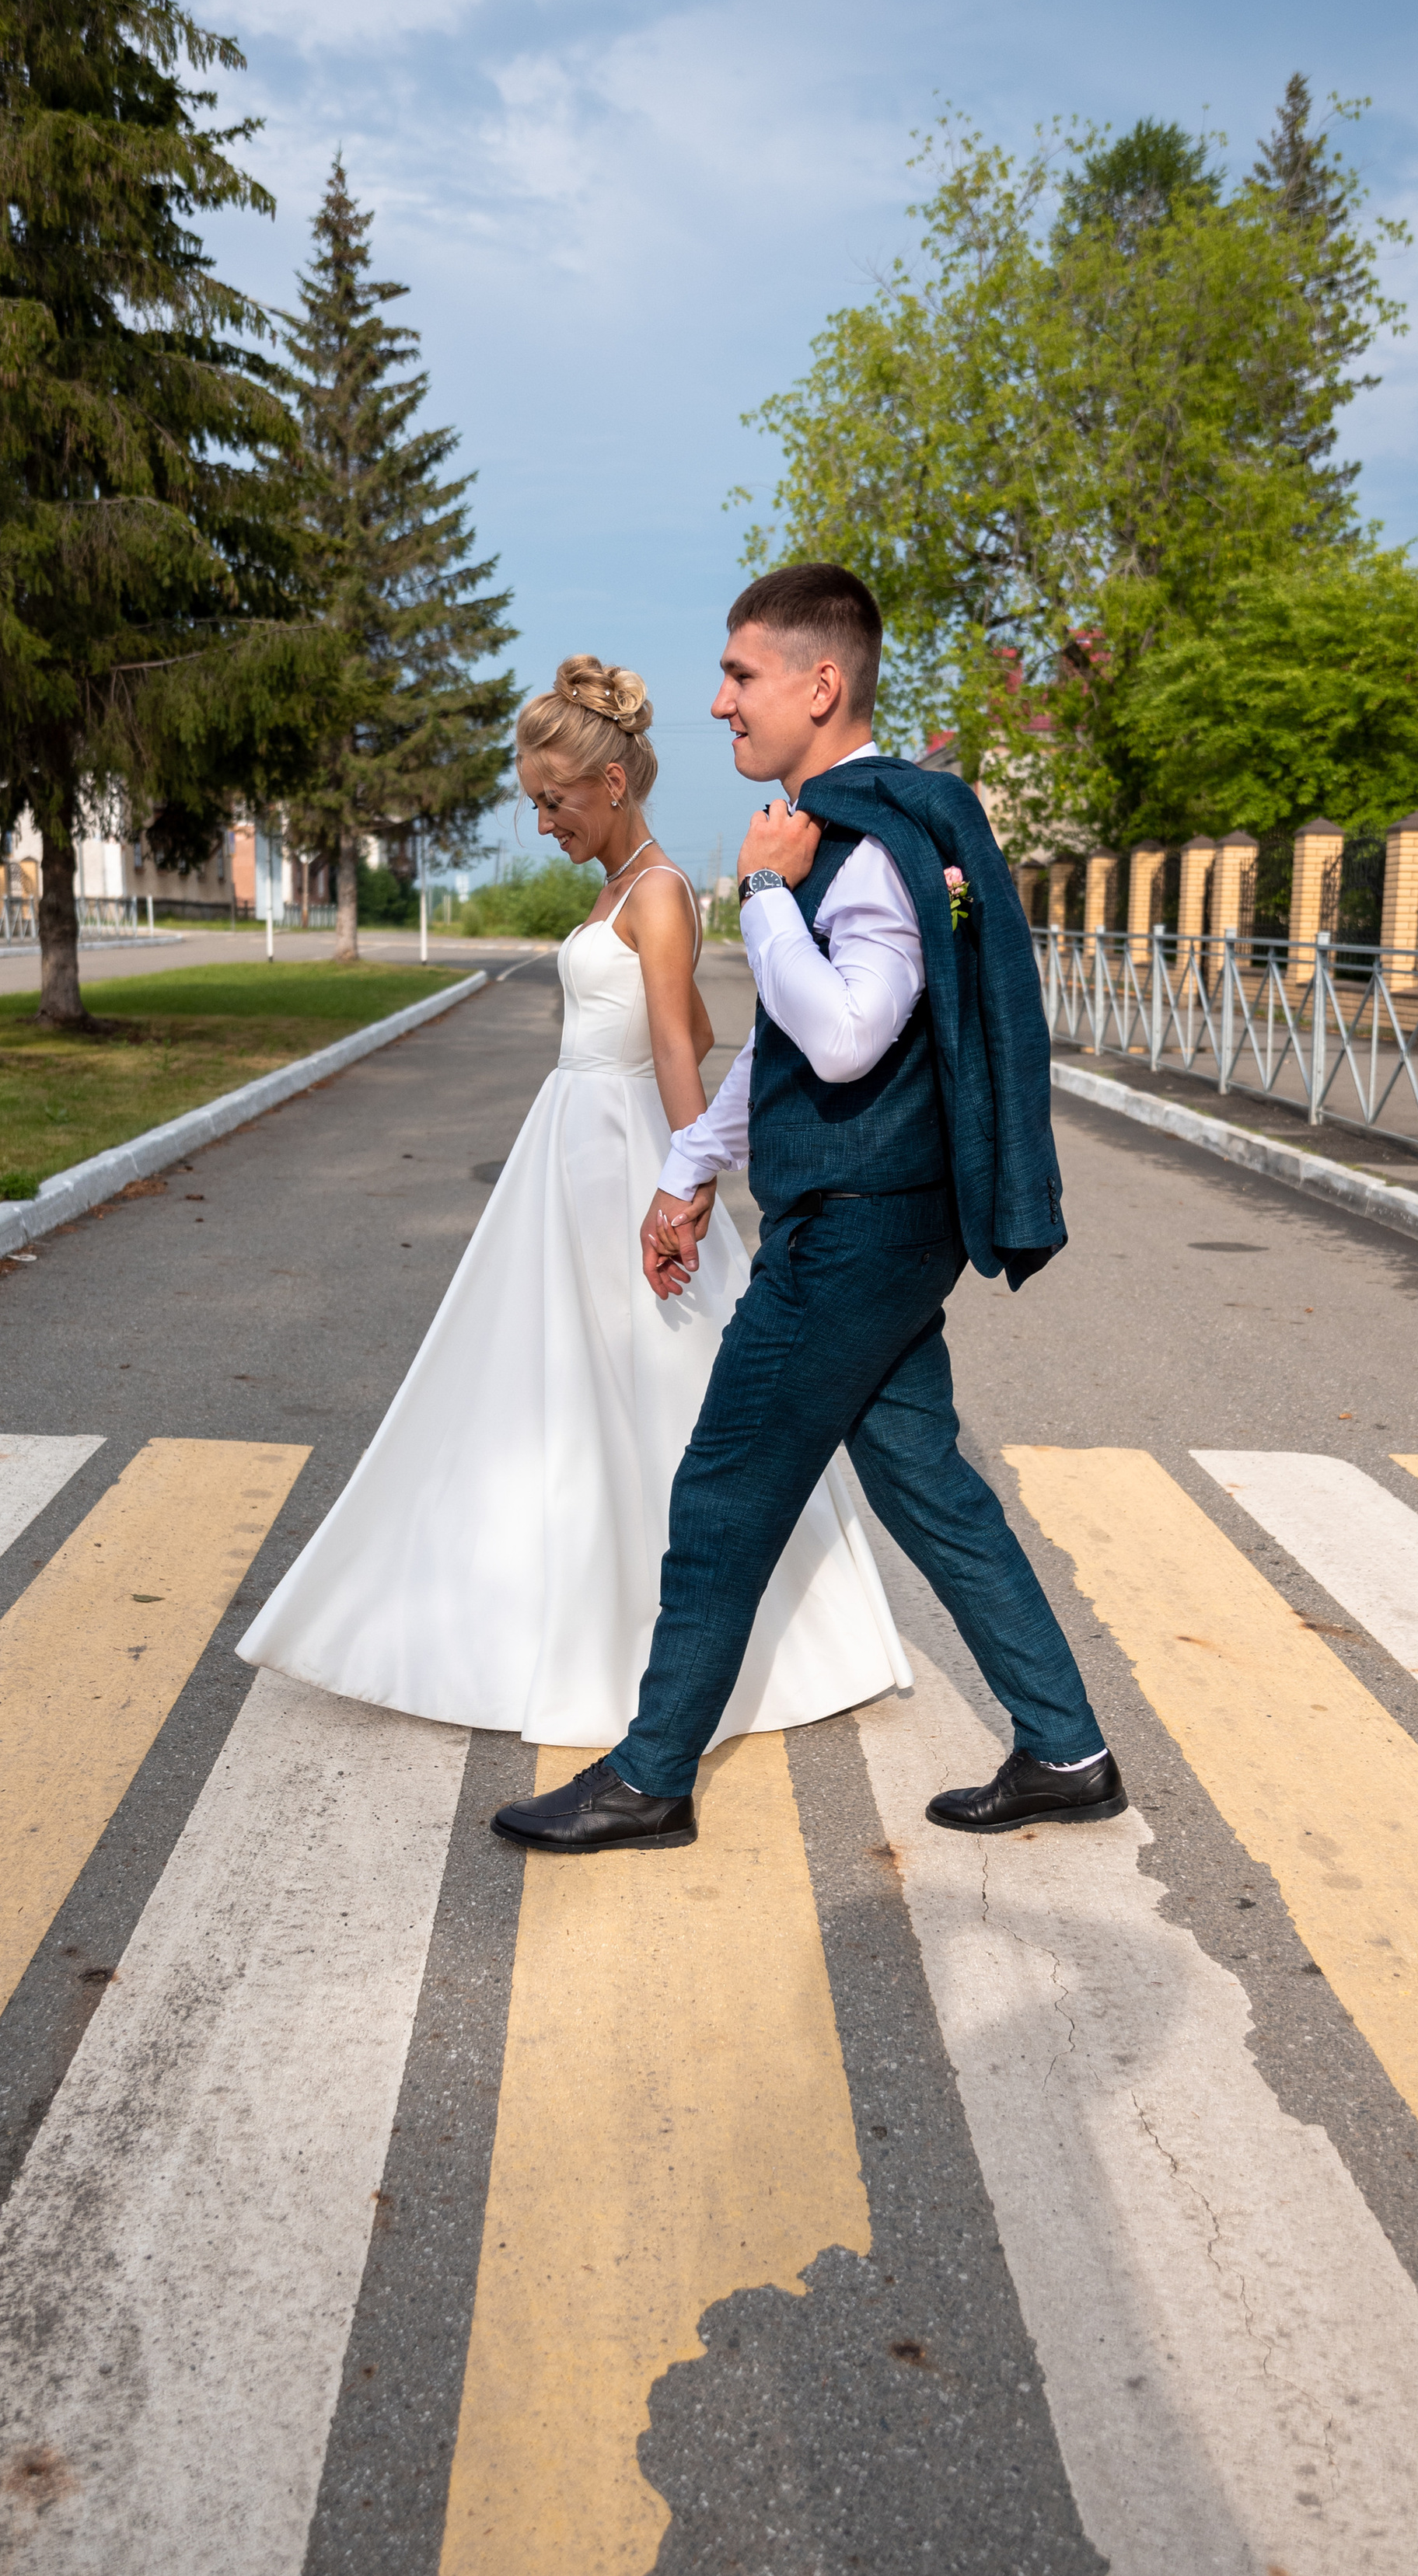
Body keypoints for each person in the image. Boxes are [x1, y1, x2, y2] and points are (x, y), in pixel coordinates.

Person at [491, 567, 1119, 1855]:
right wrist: (688, 1171)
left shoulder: (870, 842)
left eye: (741, 674)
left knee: (723, 1486)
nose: (718, 702)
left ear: (819, 684)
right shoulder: (827, 827)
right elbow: (779, 1058)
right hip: (872, 1217)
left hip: (857, 1227)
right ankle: (1067, 1745)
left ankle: (652, 1776)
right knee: (925, 1481)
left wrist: (770, 896)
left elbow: (841, 1040)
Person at [236, 654, 910, 1747]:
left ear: (611, 782)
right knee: (551, 1391)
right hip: (568, 1154)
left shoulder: (656, 891)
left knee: (647, 1385)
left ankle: (655, 1640)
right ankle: (540, 1602)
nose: (542, 818)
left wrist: (686, 1183)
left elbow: (674, 1054)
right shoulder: (621, 888)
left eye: (553, 798)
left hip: (615, 1161)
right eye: (533, 800)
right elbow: (689, 1025)